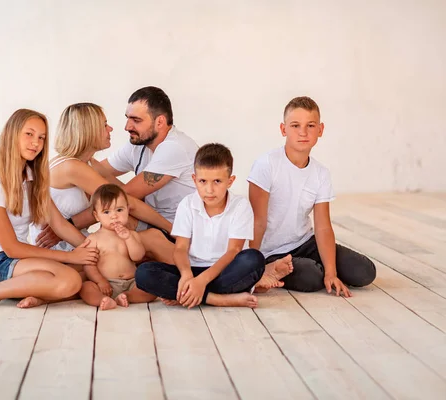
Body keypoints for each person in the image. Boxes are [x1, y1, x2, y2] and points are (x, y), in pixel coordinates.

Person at [0, 109, 99, 308]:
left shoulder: (32, 178)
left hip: (23, 258)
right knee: (71, 279)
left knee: (90, 271)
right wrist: (70, 256)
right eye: (29, 134)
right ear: (12, 135)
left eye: (41, 137)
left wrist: (94, 250)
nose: (36, 143)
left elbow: (59, 224)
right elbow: (11, 248)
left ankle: (39, 297)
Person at [135, 144, 293, 309]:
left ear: (230, 181)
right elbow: (180, 248)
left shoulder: (240, 206)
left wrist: (201, 282)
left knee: (254, 259)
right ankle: (216, 299)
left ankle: (186, 295)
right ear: (194, 180)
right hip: (194, 269)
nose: (209, 190)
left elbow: (234, 251)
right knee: (144, 273)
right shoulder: (187, 204)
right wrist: (187, 275)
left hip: (227, 270)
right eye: (203, 181)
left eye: (217, 181)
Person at [248, 96, 376, 296]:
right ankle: (275, 267)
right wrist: (252, 269)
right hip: (271, 251)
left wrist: (332, 273)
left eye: (310, 125)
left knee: (365, 272)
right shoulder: (267, 165)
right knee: (312, 276)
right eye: (295, 125)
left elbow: (323, 226)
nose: (303, 132)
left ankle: (319, 266)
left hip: (304, 242)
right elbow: (258, 221)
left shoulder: (321, 173)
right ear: (283, 130)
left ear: (320, 130)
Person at [29, 103, 172, 250]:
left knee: (136, 229)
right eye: (104, 125)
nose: (110, 129)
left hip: (76, 240)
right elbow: (129, 203)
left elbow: (125, 195)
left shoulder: (89, 163)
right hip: (58, 246)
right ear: (89, 130)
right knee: (151, 237)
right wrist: (171, 229)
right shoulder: (72, 167)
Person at [79, 184, 157, 310]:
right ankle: (103, 300)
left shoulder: (132, 235)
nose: (114, 216)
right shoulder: (93, 239)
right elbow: (89, 265)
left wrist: (128, 238)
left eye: (119, 210)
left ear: (127, 209)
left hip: (132, 282)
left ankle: (127, 296)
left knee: (152, 288)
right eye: (106, 212)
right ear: (97, 216)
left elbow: (138, 257)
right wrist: (100, 281)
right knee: (86, 287)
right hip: (106, 284)